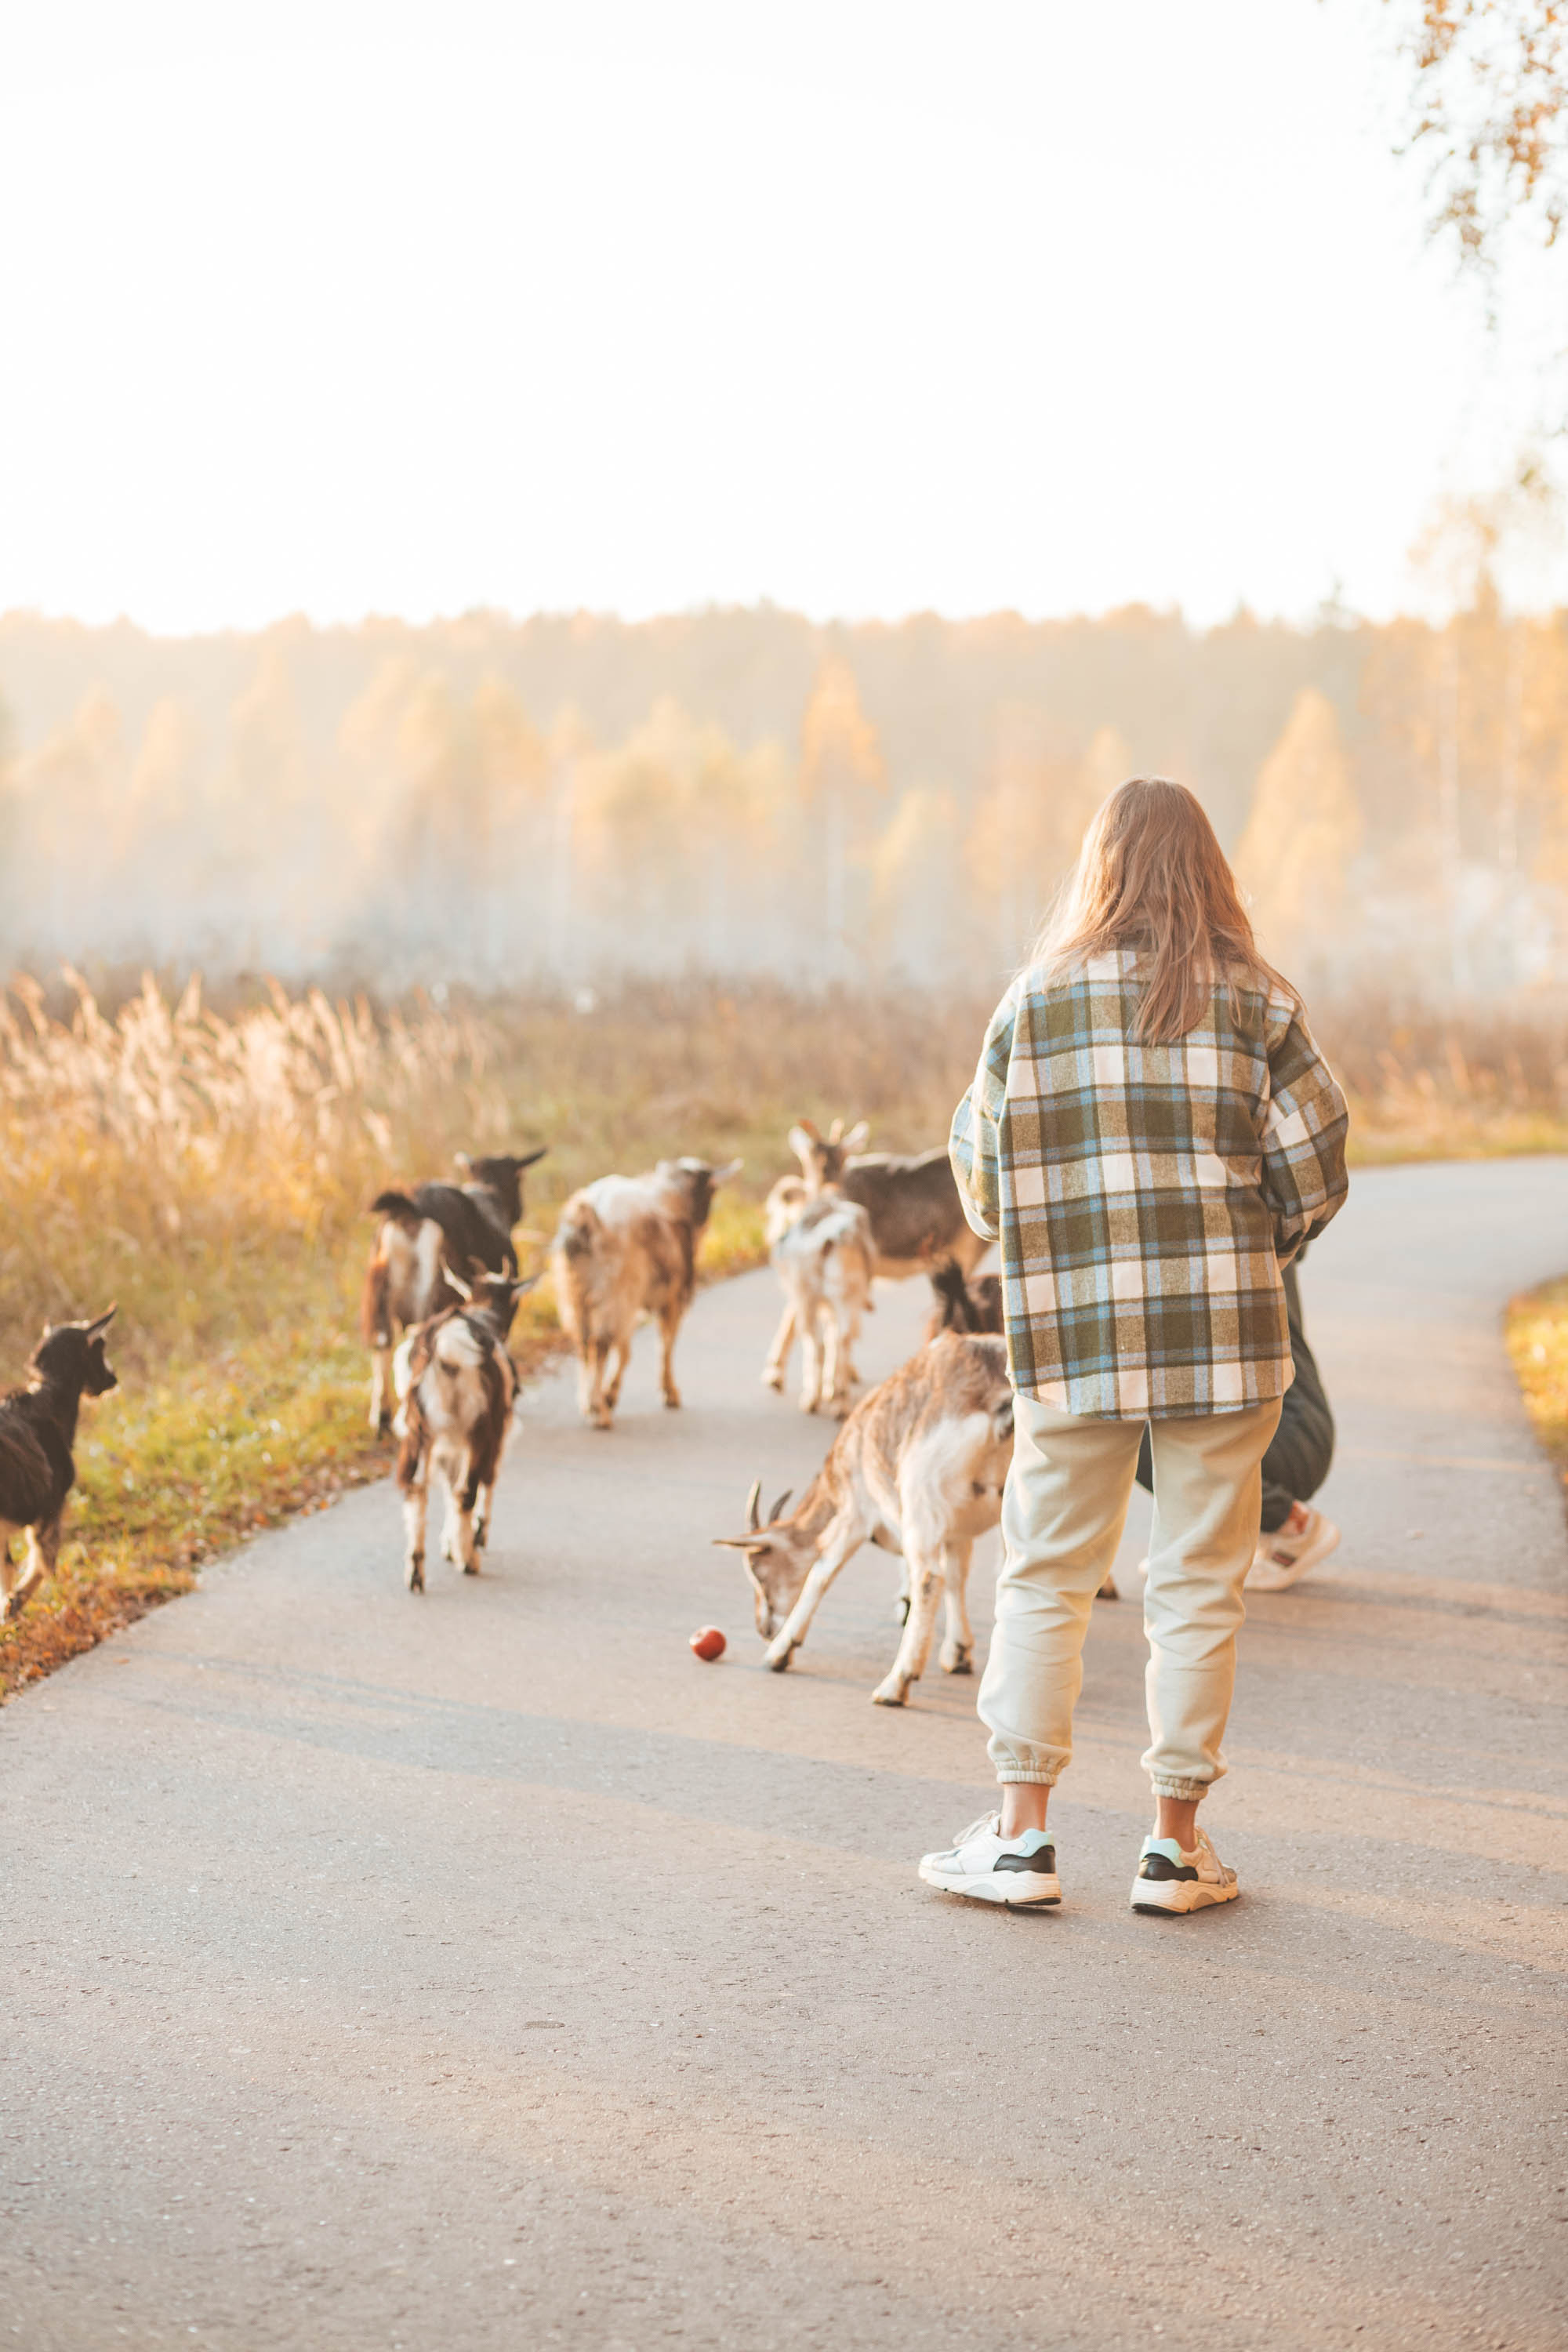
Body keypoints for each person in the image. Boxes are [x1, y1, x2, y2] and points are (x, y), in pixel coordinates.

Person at [918, 778, 1348, 1918]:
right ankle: (1173, 1849)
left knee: (1046, 1574)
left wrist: (1058, 1242)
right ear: (1210, 868)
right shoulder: (1261, 1003)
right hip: (1226, 1339)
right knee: (1200, 1582)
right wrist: (1258, 1251)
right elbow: (1316, 1168)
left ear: (1098, 866)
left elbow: (981, 1183)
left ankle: (1020, 1840)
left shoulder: (1034, 1001)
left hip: (1071, 1336)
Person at [1132, 1254, 1340, 1594]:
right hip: (1294, 1424)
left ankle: (1292, 1525)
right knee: (1146, 1410)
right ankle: (1207, 1536)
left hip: (1284, 1433)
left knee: (1133, 1425)